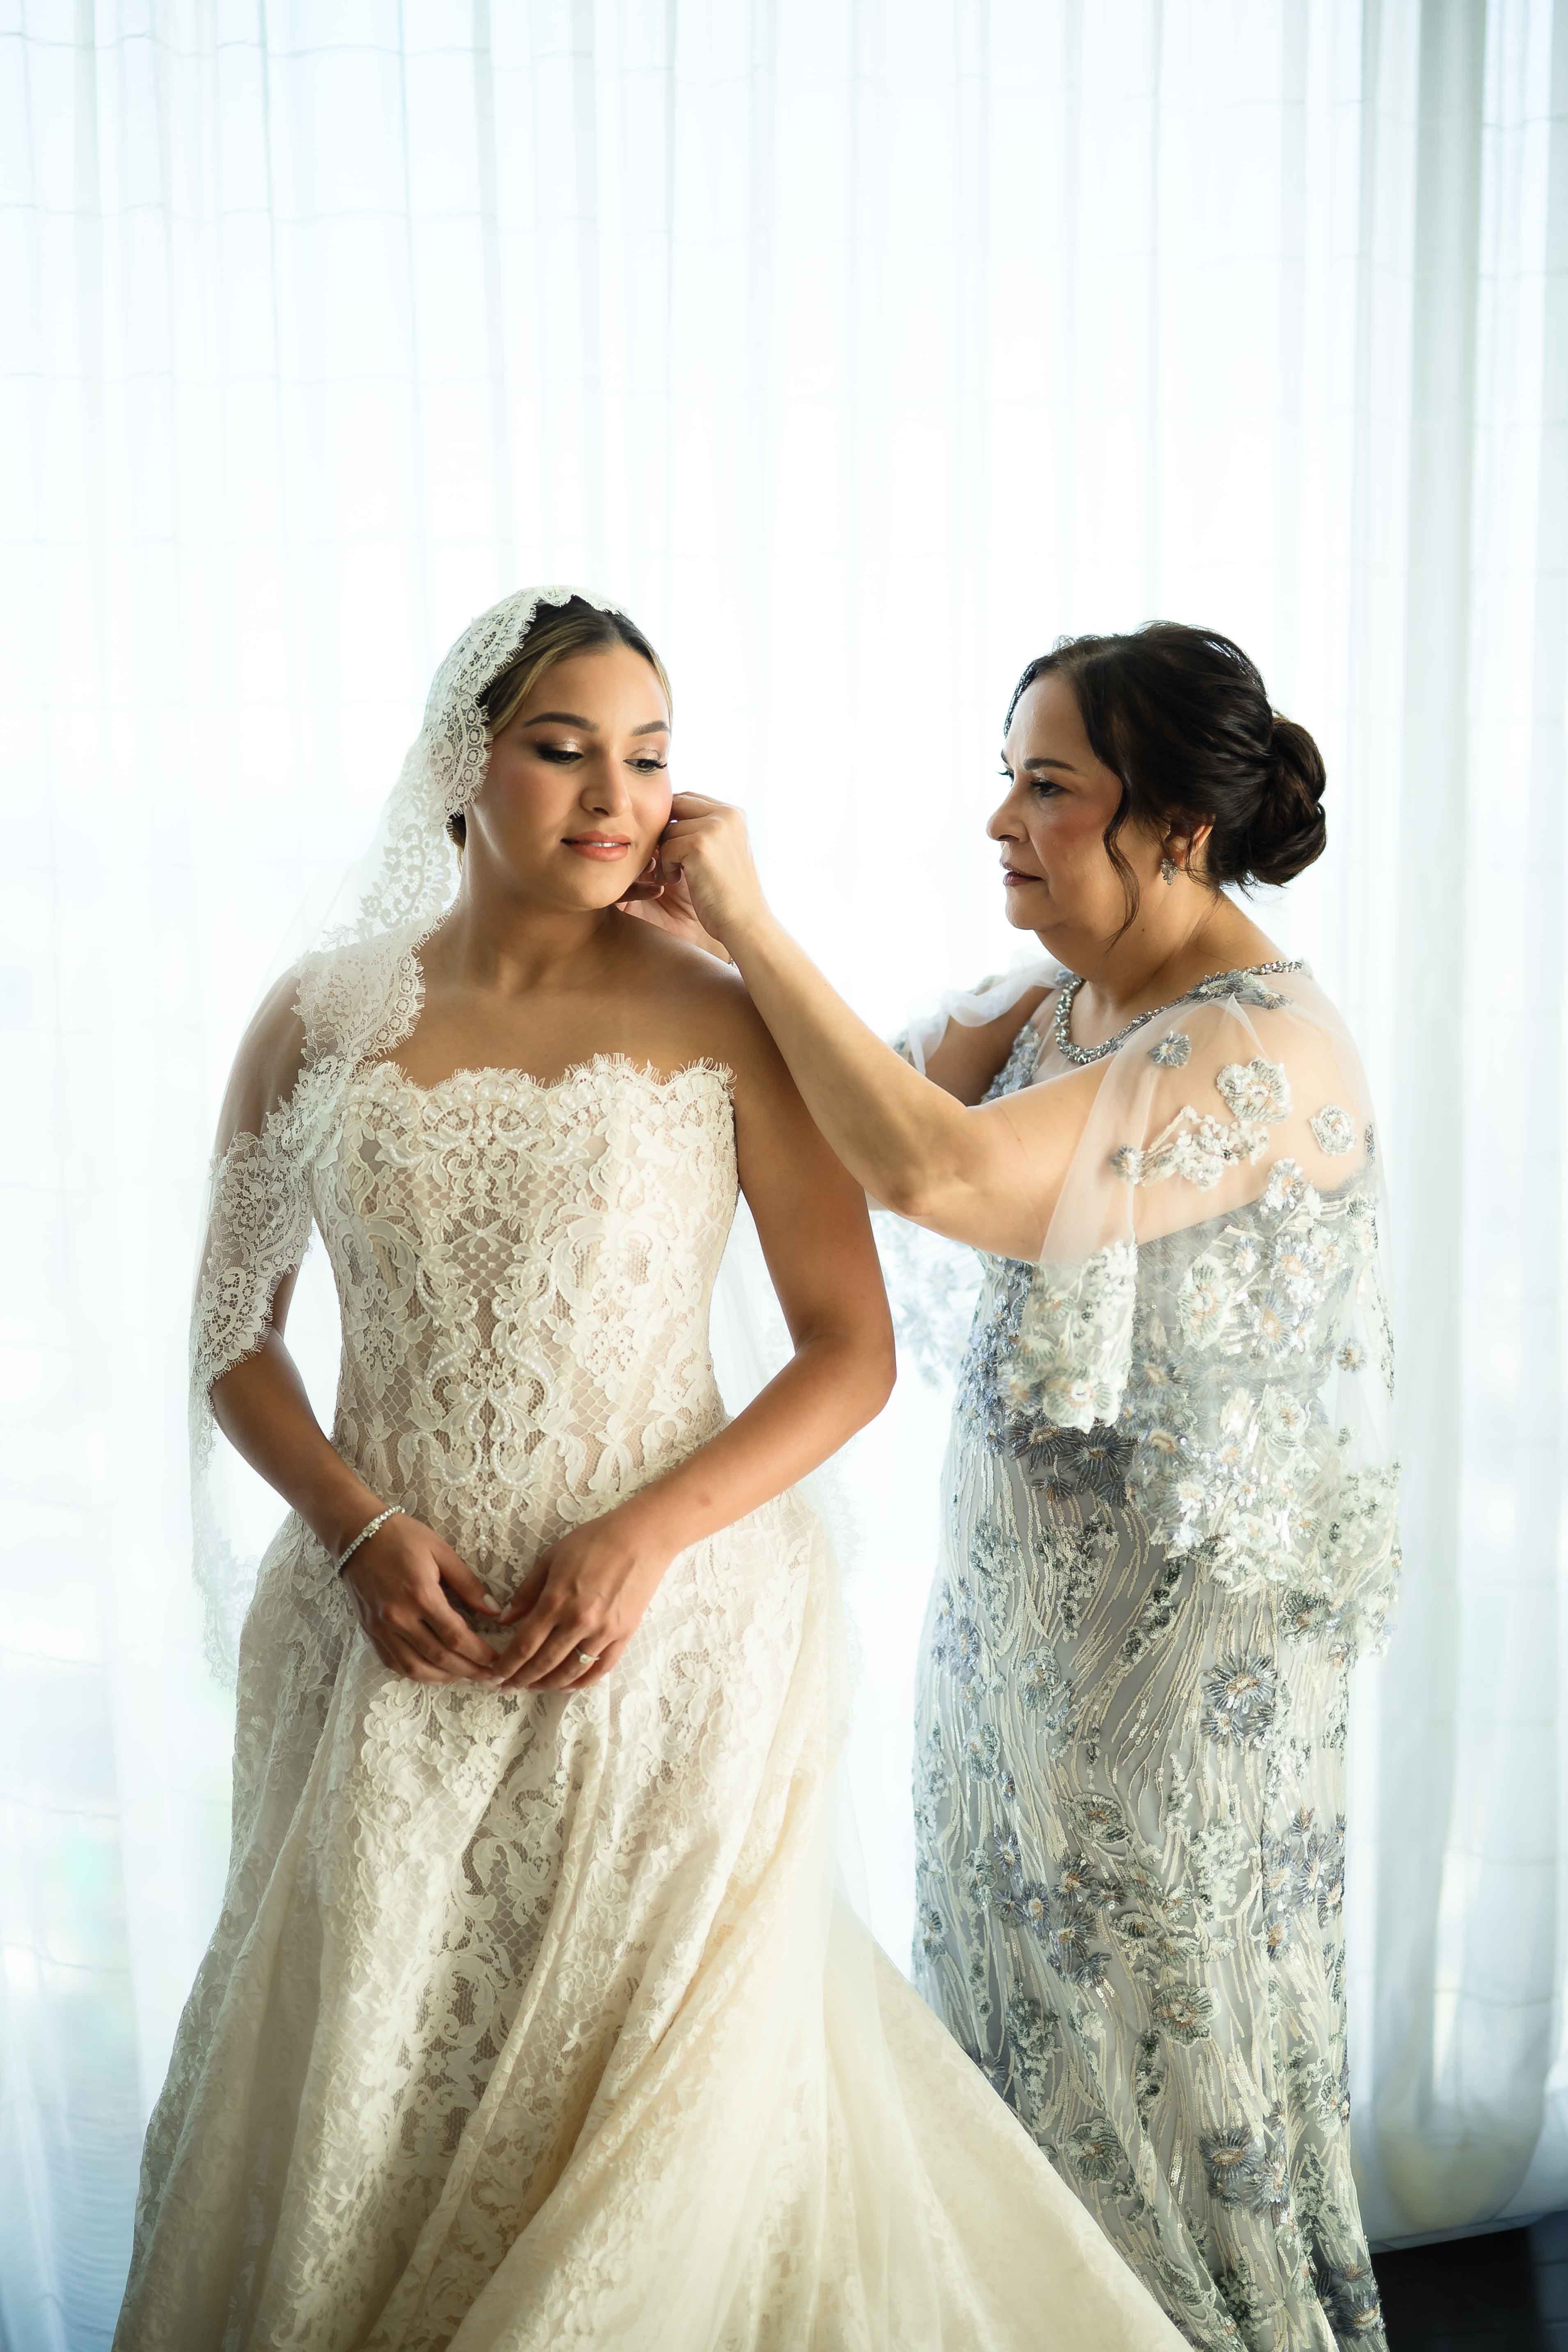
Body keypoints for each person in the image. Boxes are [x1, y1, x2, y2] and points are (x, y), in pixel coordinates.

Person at [114, 588, 1187, 2352]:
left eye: (651, 755)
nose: (617, 796)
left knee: (628, 2107)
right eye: (564, 750)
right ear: (459, 764)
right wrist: (358, 1528)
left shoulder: (721, 1014)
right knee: (379, 2066)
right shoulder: (315, 1018)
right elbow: (235, 1338)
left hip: (662, 1639)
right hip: (381, 1638)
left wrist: (634, 1539)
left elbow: (848, 1349)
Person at [657, 624, 1399, 2352]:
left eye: (1047, 784)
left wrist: (752, 923)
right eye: (1007, 775)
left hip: (1184, 1666)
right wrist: (688, 955)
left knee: (1167, 2018)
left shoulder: (1261, 1049)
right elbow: (840, 1113)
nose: (1001, 817)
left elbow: (939, 1168)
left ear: (1180, 829)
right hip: (1009, 1629)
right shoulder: (1048, 1005)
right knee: (1007, 1991)